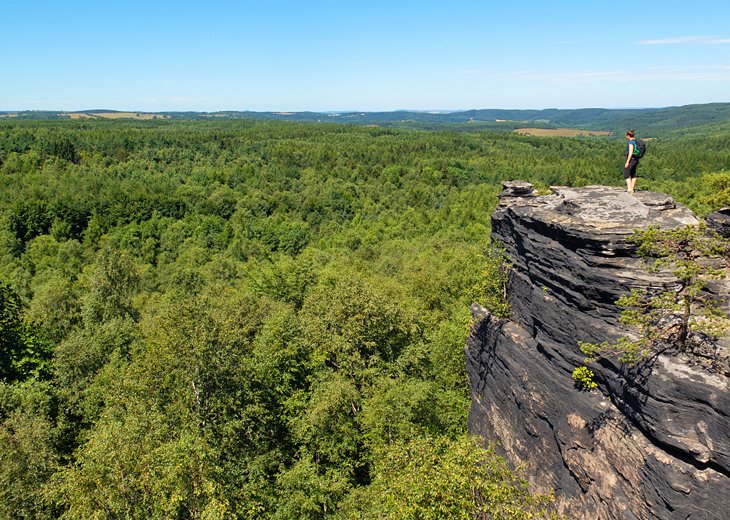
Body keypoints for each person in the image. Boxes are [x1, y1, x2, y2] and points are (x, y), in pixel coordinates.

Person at [624, 129, 640, 193]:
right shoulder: (636, 141)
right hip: (636, 159)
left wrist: (627, 162)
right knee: (633, 174)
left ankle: (630, 189)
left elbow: (630, 153)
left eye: (626, 136)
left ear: (628, 135)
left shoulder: (631, 143)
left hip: (632, 160)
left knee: (626, 174)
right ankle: (632, 189)